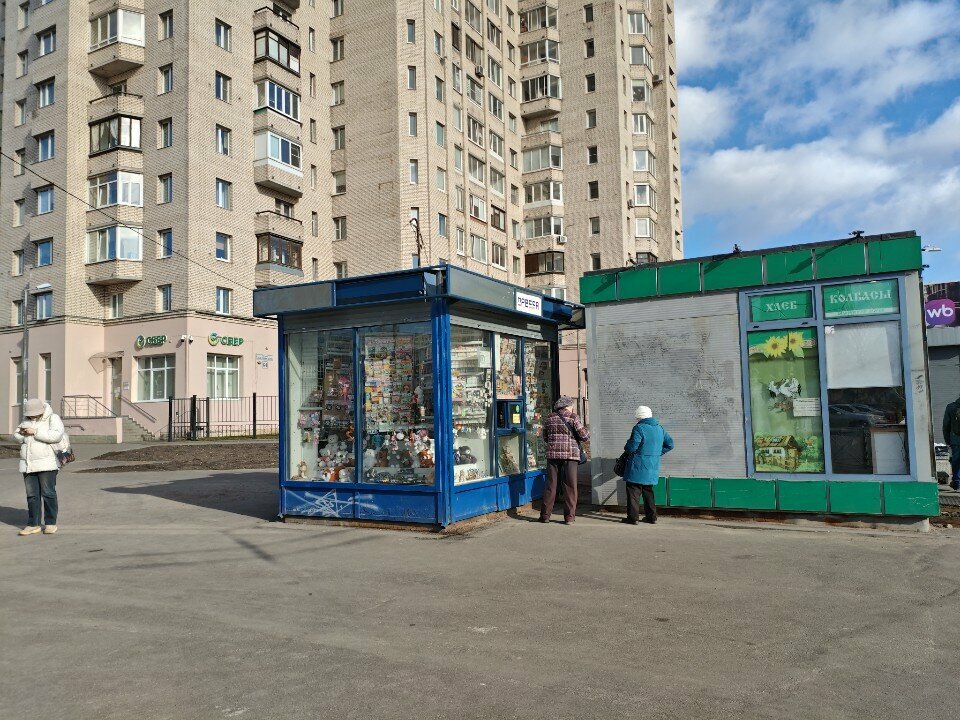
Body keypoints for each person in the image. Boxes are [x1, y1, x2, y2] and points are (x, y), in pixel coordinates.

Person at [15, 398, 64, 536]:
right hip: (28, 464)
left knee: (48, 494)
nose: (31, 416)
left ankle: (50, 523)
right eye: (29, 414)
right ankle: (33, 524)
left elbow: (56, 436)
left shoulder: (53, 418)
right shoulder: (25, 420)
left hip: (47, 463)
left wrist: (35, 431)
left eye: (33, 414)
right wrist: (21, 434)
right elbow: (16, 435)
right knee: (31, 496)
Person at [621, 405, 674, 525]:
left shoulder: (639, 428)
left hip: (637, 466)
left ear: (639, 416)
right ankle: (651, 517)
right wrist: (657, 453)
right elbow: (670, 444)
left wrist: (627, 446)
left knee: (633, 492)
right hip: (652, 467)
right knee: (648, 492)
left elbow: (632, 447)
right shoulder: (660, 428)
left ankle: (633, 518)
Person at [540, 396, 589, 525]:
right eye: (572, 406)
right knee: (570, 486)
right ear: (568, 406)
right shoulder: (573, 417)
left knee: (551, 485)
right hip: (570, 456)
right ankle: (569, 518)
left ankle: (545, 516)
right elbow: (584, 436)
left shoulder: (549, 417)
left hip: (552, 456)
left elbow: (545, 437)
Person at [944, 393, 960, 491]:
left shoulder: (951, 407)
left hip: (956, 440)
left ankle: (956, 482)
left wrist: (948, 440)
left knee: (956, 461)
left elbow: (946, 425)